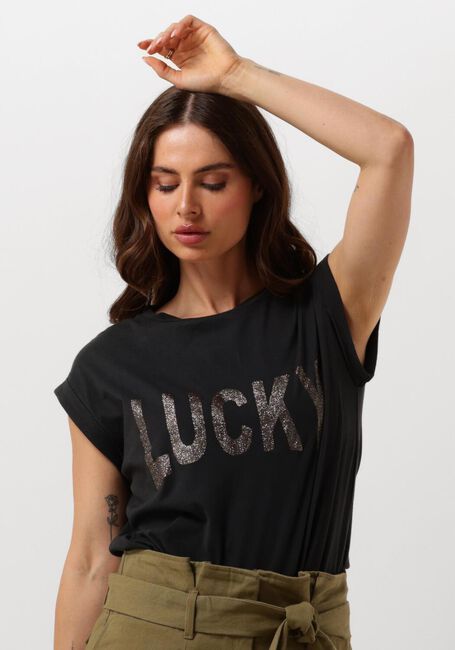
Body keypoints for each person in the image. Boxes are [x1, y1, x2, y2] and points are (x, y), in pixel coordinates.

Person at [52, 14, 414, 650]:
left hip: (305, 629)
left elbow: (389, 148)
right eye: (165, 184)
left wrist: (236, 76)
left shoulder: (327, 315)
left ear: (257, 188)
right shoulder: (108, 366)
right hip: (154, 628)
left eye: (213, 182)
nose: (186, 206)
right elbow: (89, 557)